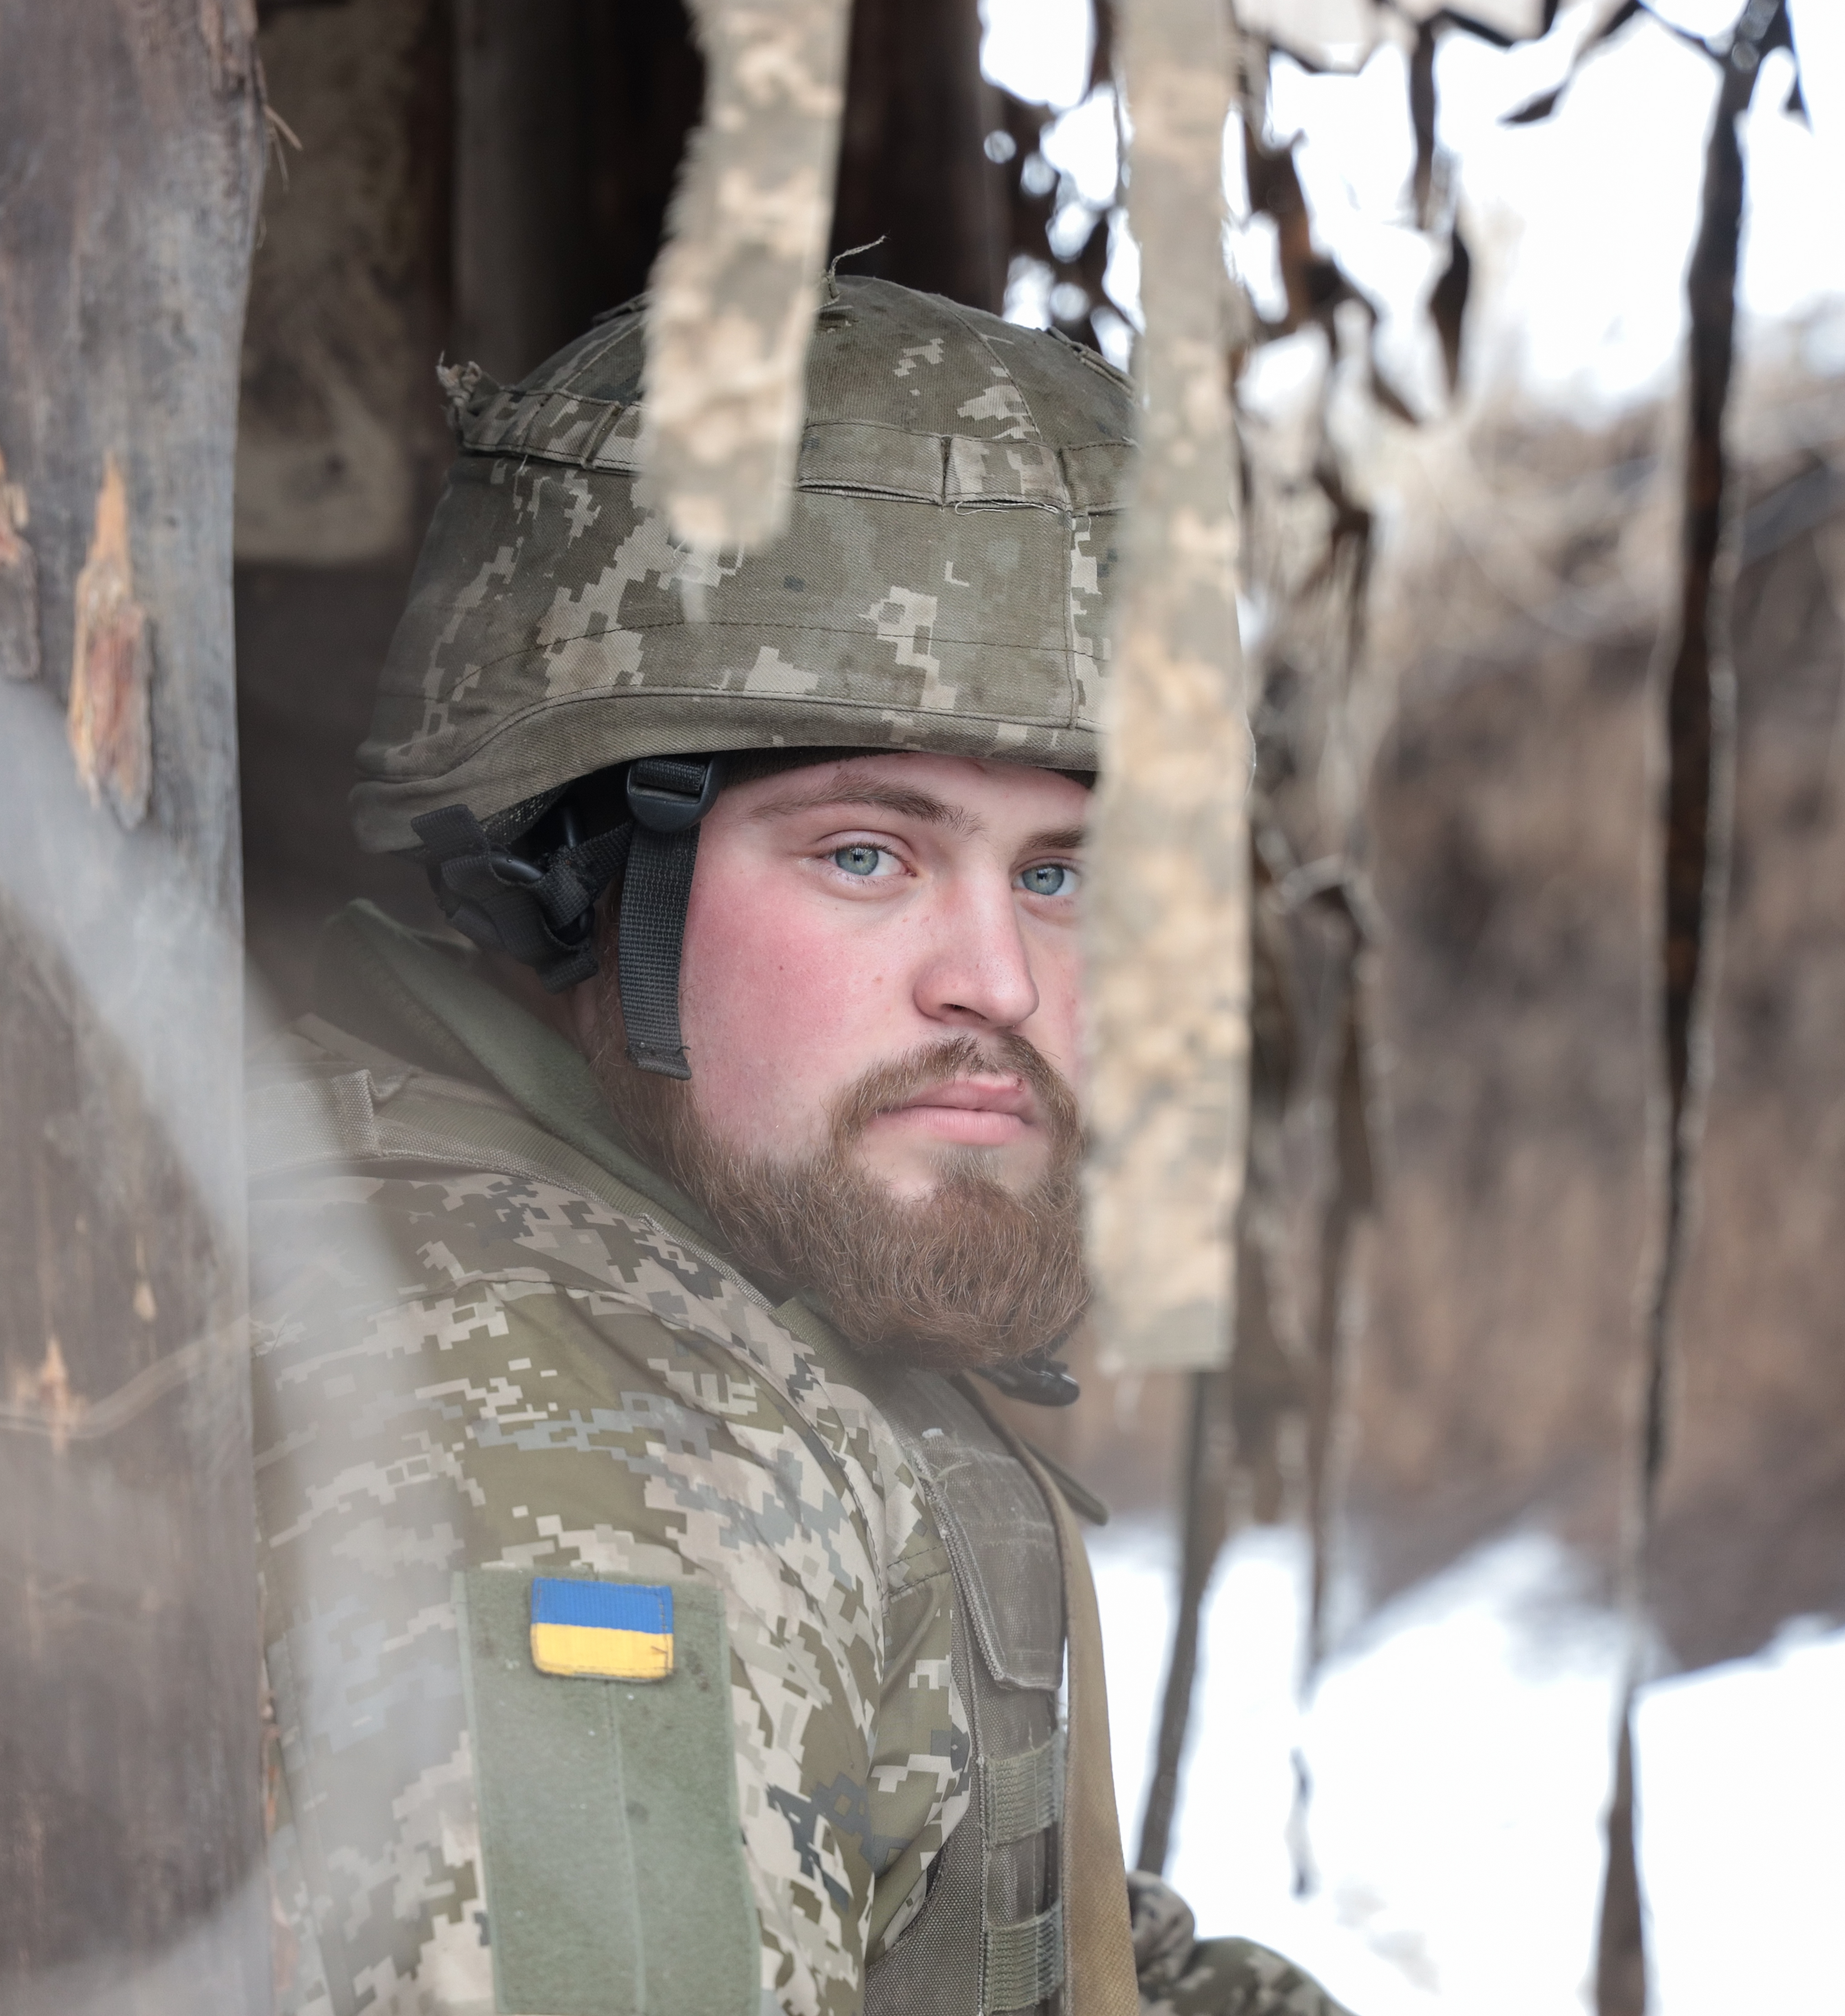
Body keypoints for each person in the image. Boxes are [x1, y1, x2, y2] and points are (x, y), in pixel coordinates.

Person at [252, 276, 1352, 2016]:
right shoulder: (594, 1464)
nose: (995, 981)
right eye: (866, 855)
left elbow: (1034, 1951)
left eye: (1063, 874)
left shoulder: (722, 1282)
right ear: (583, 879)